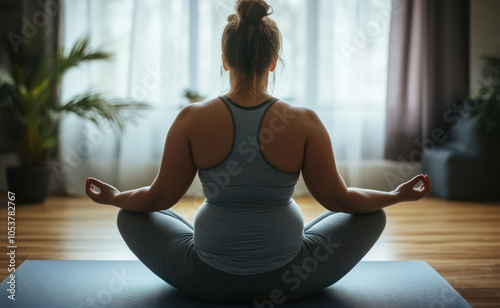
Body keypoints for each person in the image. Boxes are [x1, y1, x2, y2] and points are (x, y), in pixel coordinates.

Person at [85, 0, 431, 304]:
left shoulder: (191, 119)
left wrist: (116, 197)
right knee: (374, 213)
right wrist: (394, 195)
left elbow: (157, 198)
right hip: (290, 279)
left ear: (225, 60)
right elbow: (340, 200)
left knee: (128, 213)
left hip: (205, 280)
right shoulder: (304, 121)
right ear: (273, 61)